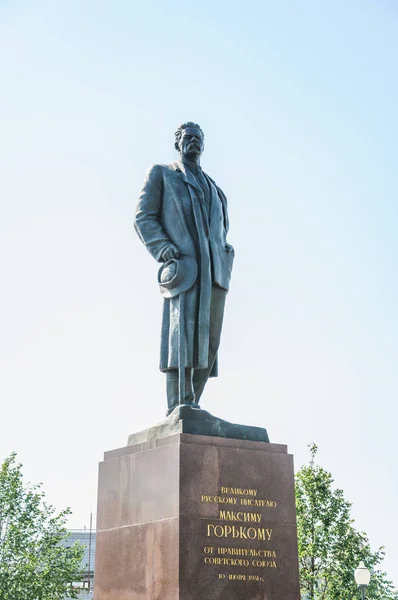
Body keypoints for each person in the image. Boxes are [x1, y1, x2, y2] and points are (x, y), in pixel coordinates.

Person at [134, 122, 234, 415]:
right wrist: (162, 247)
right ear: (178, 143)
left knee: (209, 343)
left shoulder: (216, 188)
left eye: (198, 139)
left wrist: (226, 254)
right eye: (188, 138)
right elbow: (143, 217)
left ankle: (194, 405)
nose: (193, 142)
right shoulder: (163, 174)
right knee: (182, 336)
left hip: (215, 271)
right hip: (185, 267)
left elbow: (221, 228)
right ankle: (178, 405)